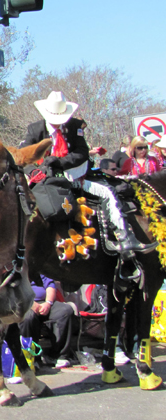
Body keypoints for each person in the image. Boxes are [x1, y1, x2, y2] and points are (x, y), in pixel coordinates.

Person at [19, 91, 154, 268]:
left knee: (107, 192)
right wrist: (37, 171)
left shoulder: (75, 126)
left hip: (74, 174)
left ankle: (123, 237)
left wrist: (60, 162)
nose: (59, 121)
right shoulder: (35, 129)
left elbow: (82, 152)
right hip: (45, 178)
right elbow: (24, 156)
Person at [19, 275, 75, 369]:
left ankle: (57, 355)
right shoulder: (16, 269)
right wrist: (30, 303)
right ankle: (32, 358)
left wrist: (48, 303)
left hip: (44, 303)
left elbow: (50, 286)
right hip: (24, 304)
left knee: (65, 311)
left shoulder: (40, 271)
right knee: (28, 317)